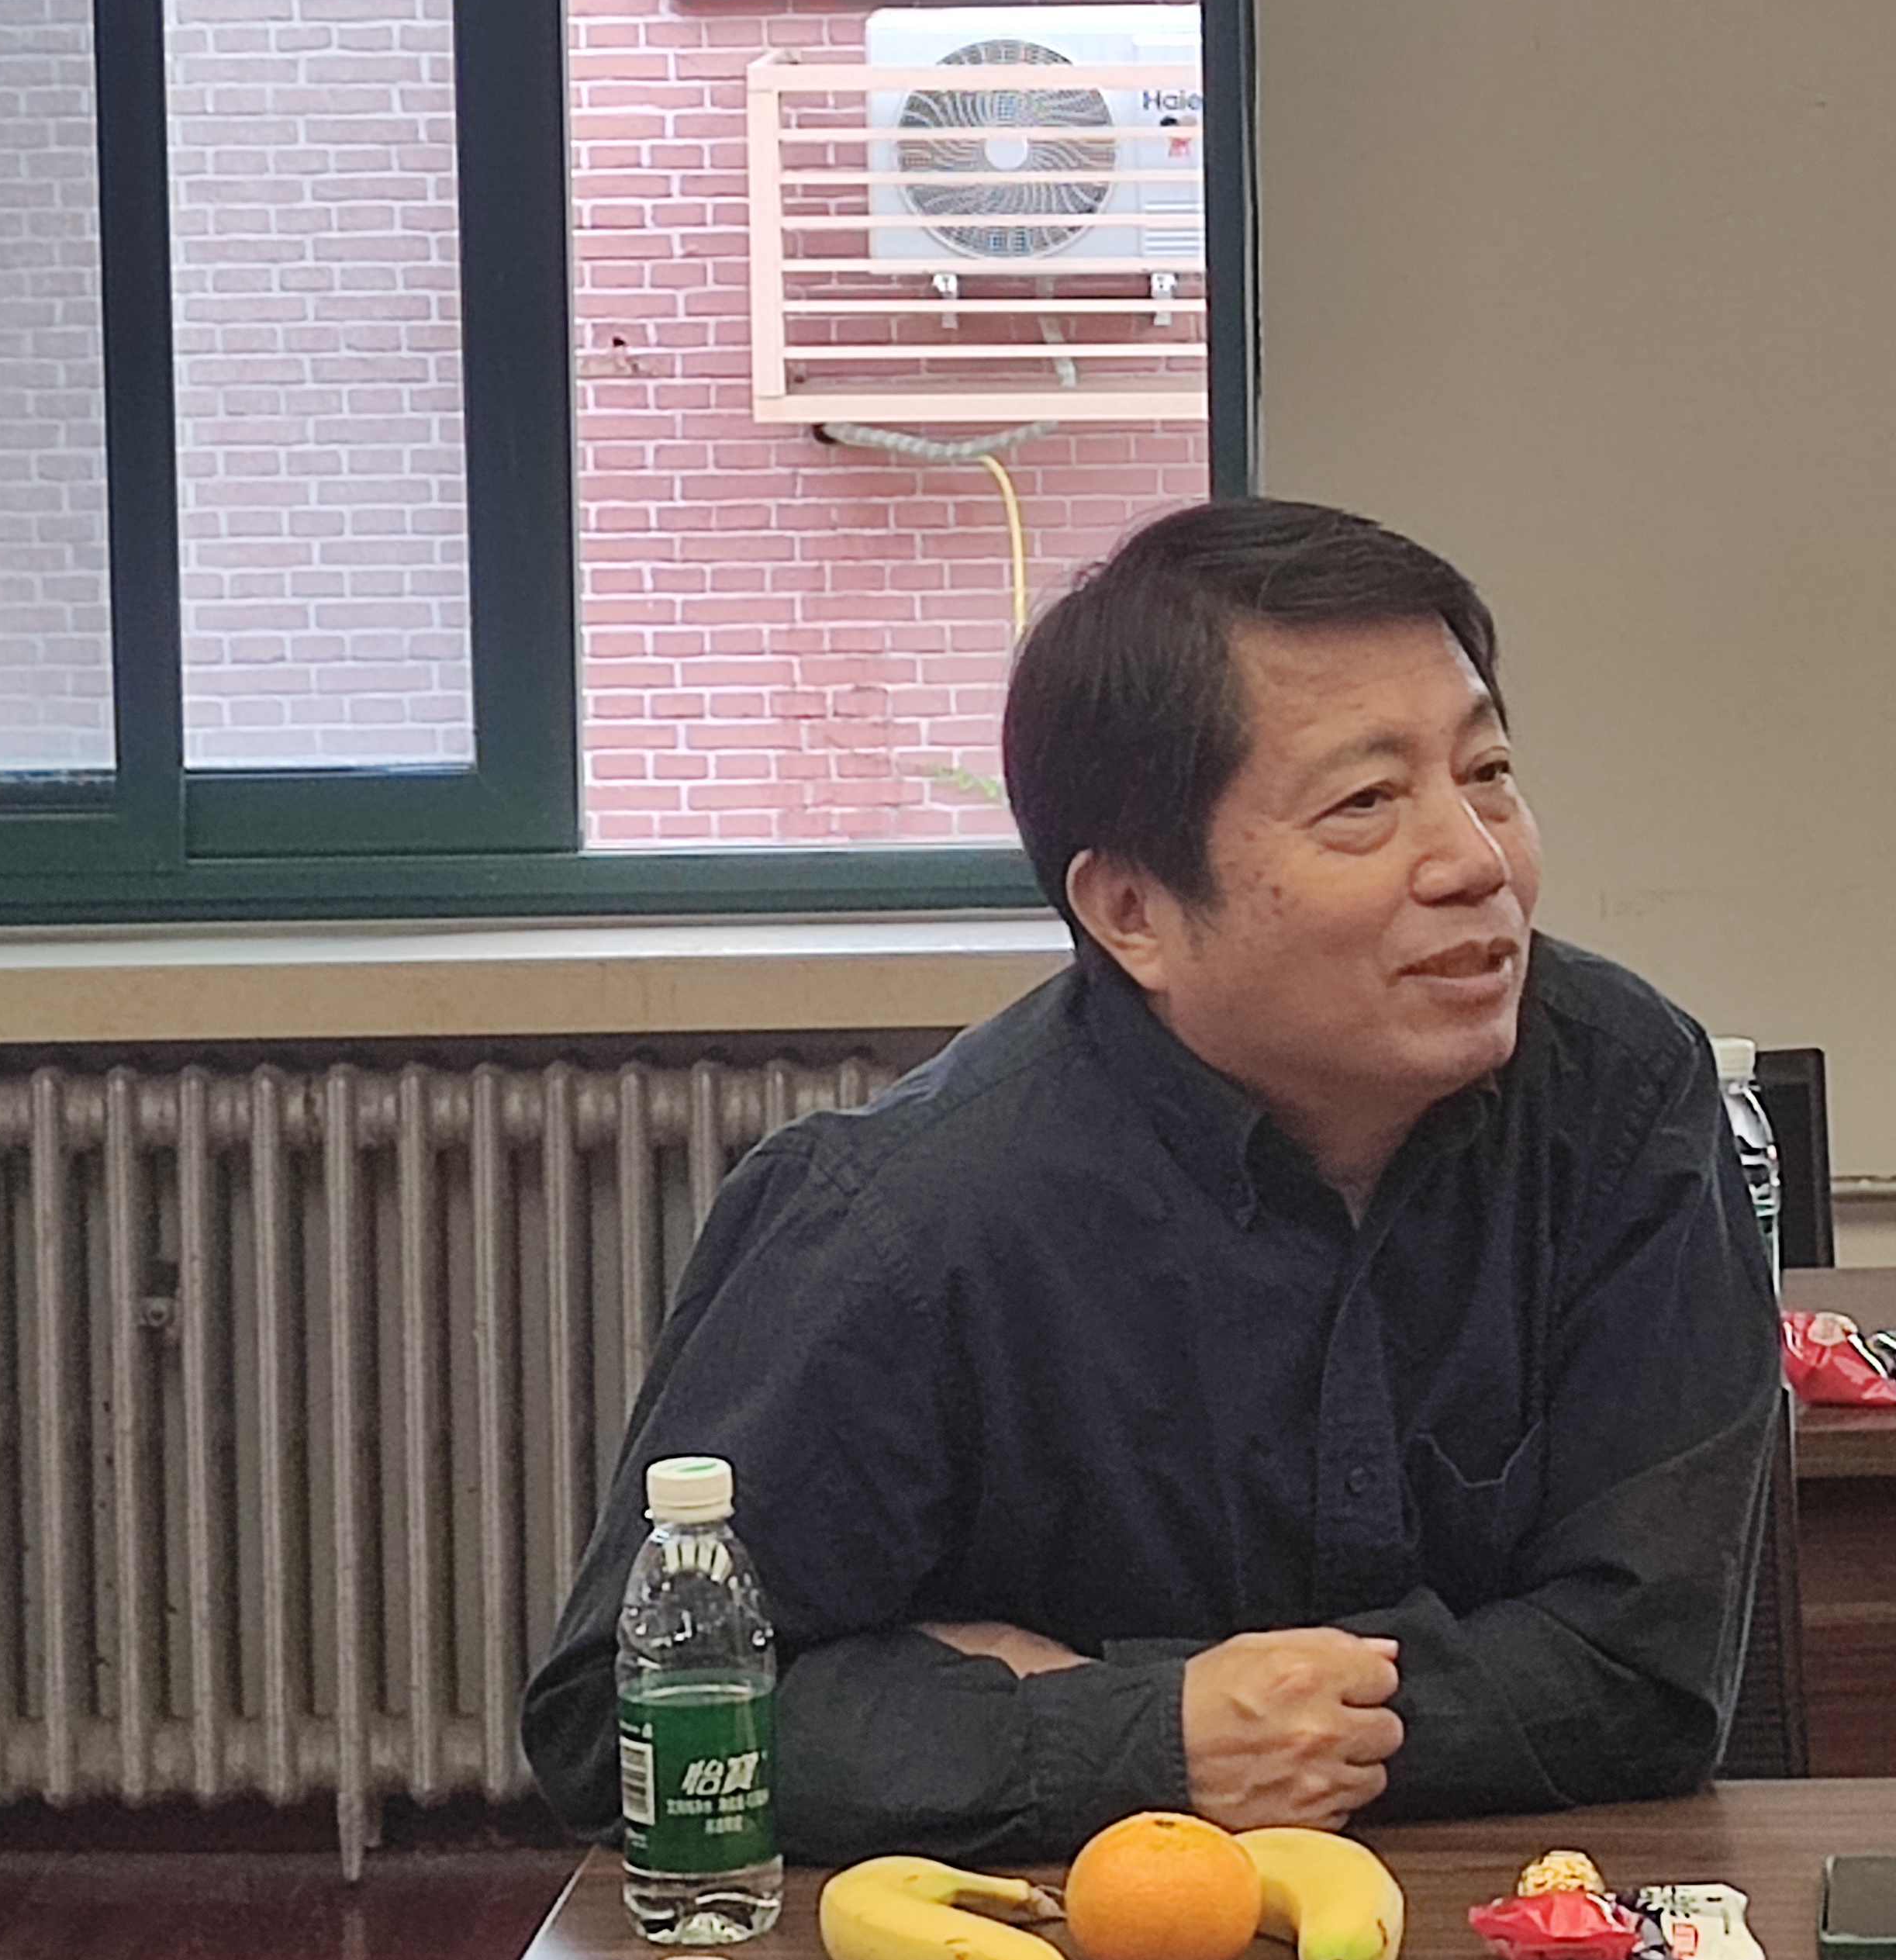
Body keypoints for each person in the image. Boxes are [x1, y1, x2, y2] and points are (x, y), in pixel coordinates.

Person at [524, 500, 1784, 1861]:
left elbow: (1645, 1676)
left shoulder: (1621, 1097)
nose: (1480, 863)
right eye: (1366, 803)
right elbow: (627, 1717)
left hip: (1531, 1937)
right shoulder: (909, 1219)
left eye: (1487, 774)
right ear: (1134, 912)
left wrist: (1112, 1711)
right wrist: (1156, 1734)